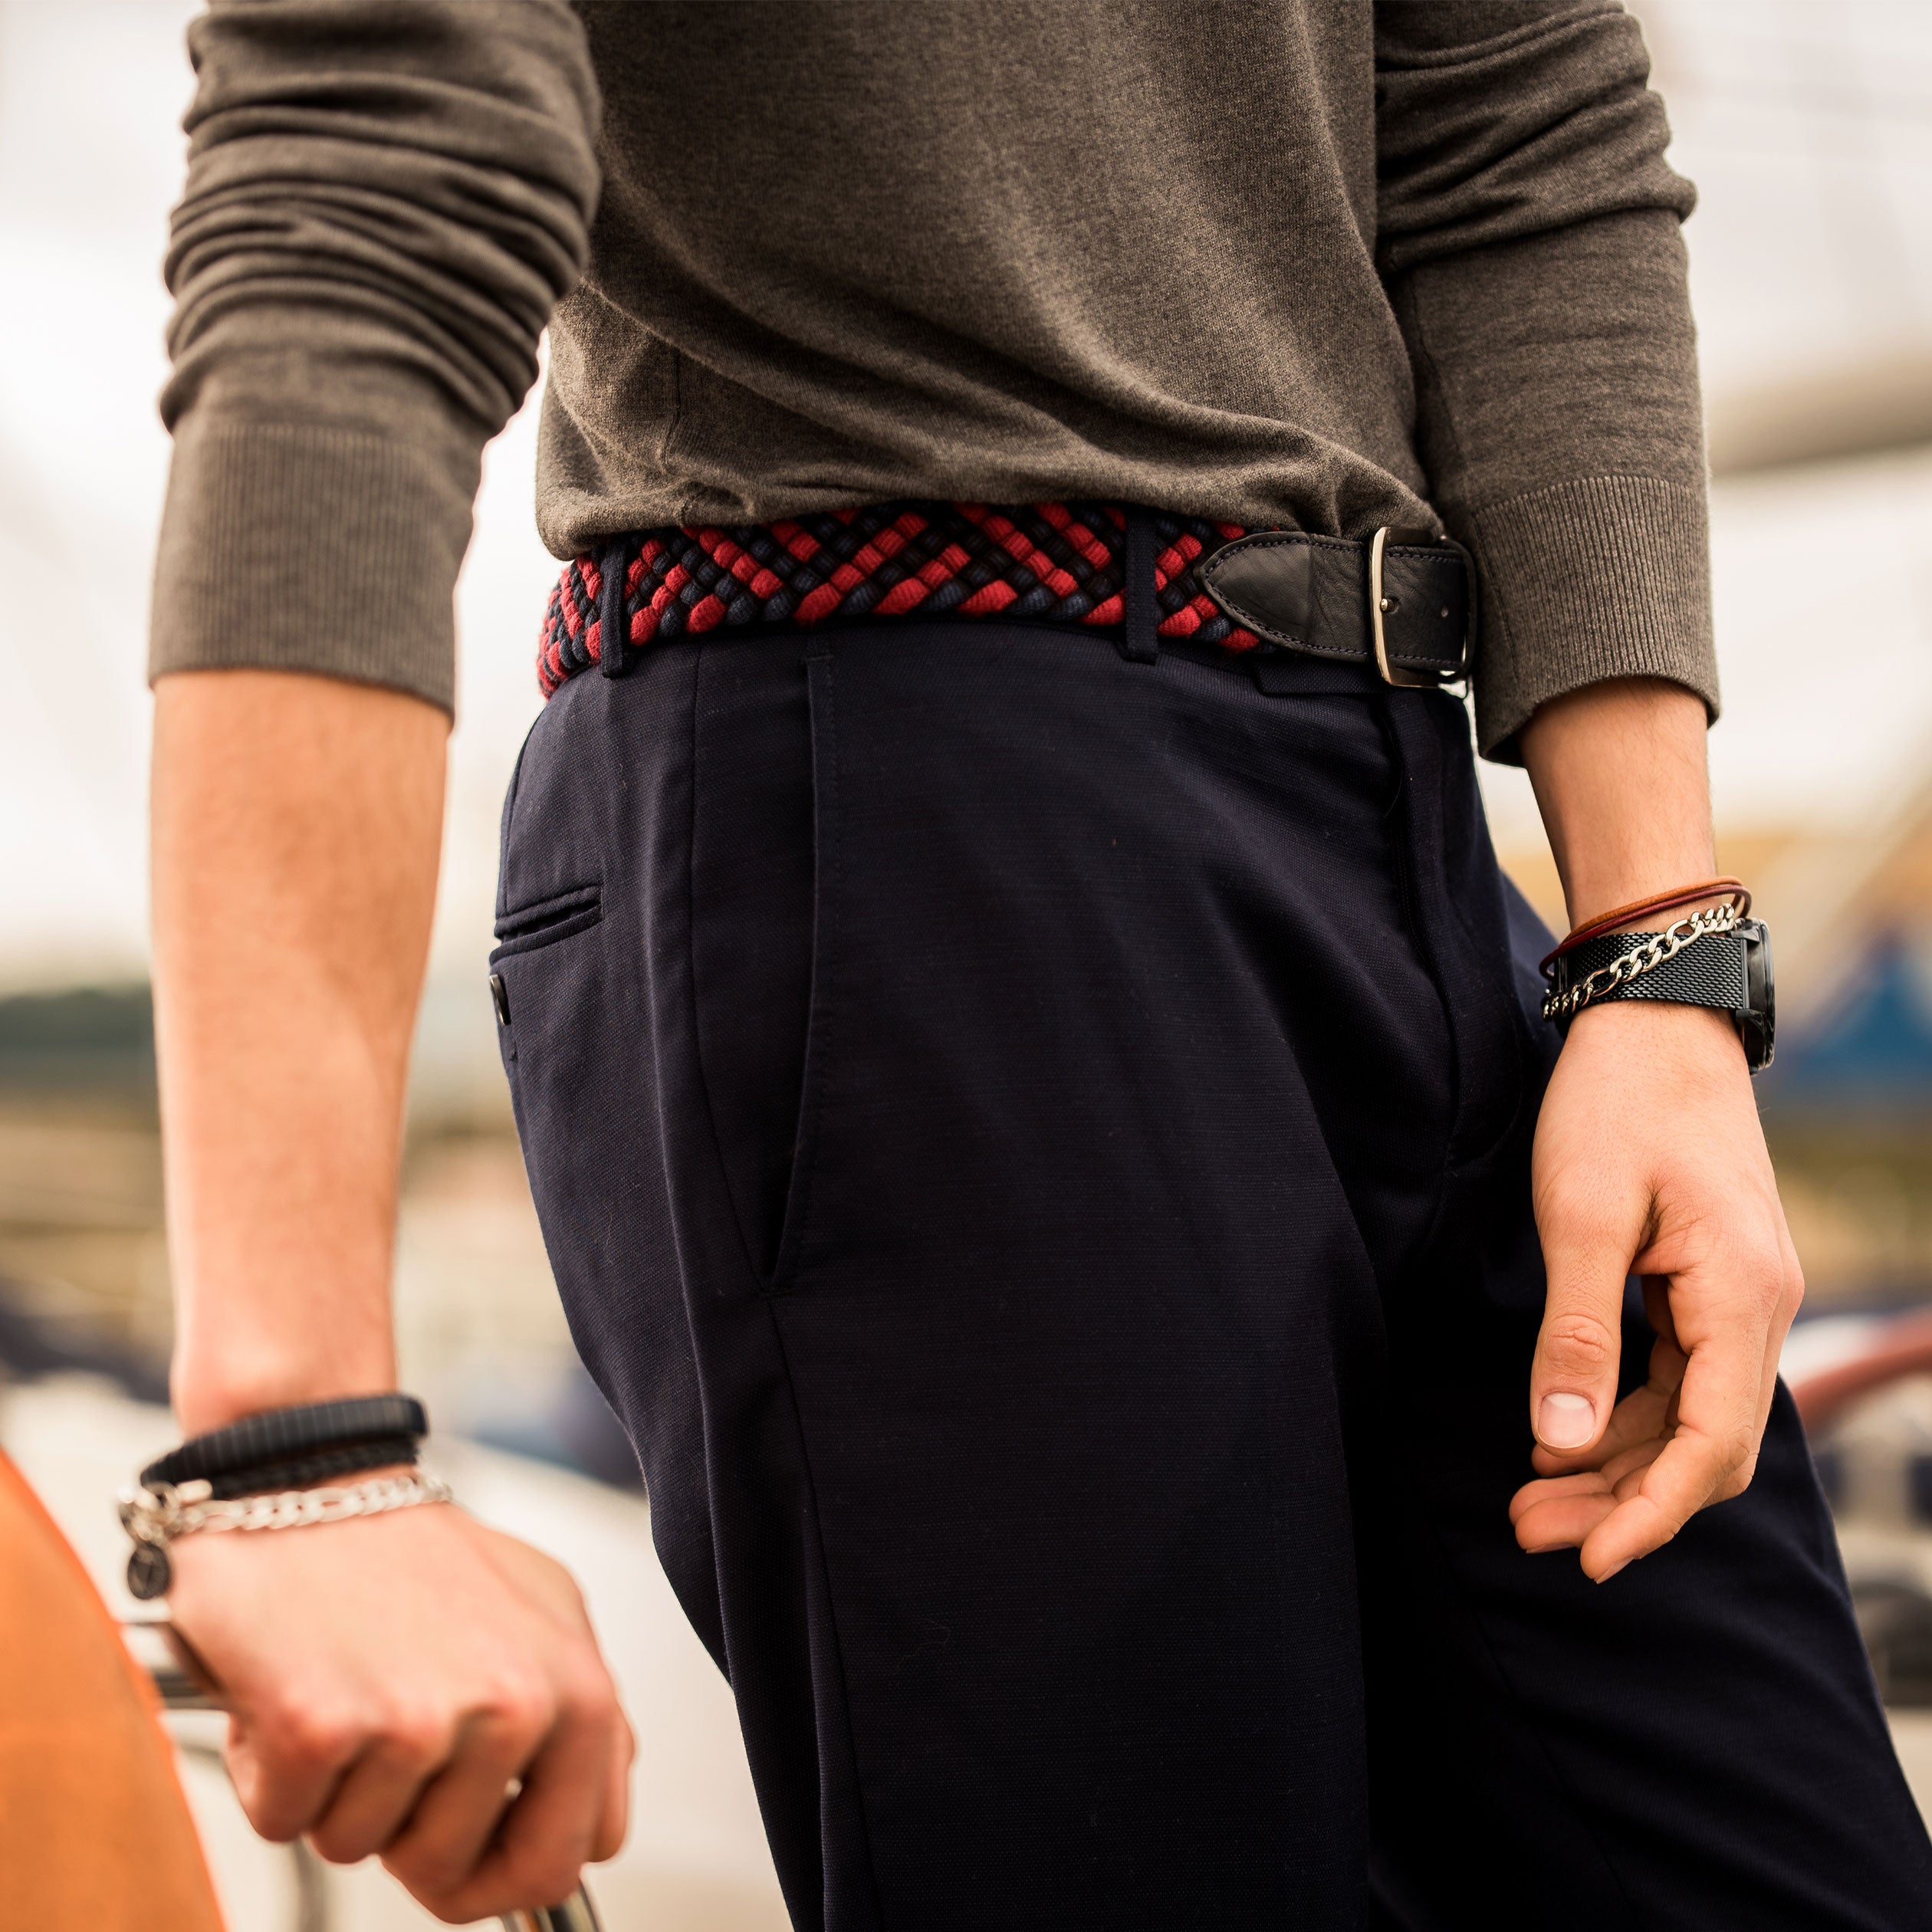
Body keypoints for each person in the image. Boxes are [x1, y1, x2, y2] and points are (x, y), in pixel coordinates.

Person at [140, 2, 1932, 1925]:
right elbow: (355, 205)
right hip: (914, 815)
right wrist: (295, 1437)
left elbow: (1527, 131)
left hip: (1416, 827)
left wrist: (1657, 952)